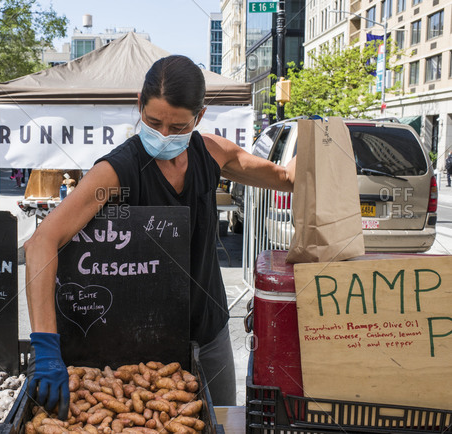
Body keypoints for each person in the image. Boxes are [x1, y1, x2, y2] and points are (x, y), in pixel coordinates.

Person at [24, 55, 295, 416]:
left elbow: (285, 178)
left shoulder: (212, 154)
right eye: (153, 122)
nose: (164, 135)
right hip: (140, 343)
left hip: (209, 332)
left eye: (179, 127)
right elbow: (43, 240)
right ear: (139, 104)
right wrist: (45, 345)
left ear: (199, 118)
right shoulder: (116, 172)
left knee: (223, 418)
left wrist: (313, 139)